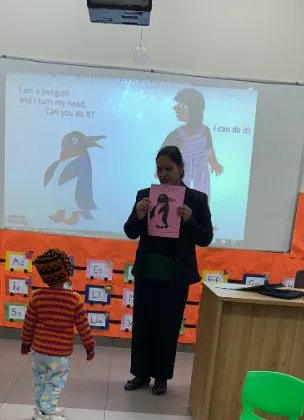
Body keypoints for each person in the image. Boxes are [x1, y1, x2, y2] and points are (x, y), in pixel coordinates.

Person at [123, 145, 214, 396]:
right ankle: (140, 374)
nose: (163, 174)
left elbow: (205, 238)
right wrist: (139, 215)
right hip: (148, 272)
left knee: (168, 326)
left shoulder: (196, 199)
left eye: (168, 169)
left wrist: (189, 220)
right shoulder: (145, 195)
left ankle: (161, 376)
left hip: (176, 276)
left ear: (181, 168)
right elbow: (130, 231)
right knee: (143, 324)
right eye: (159, 169)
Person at [21, 248, 96, 420]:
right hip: (60, 354)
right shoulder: (73, 299)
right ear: (66, 272)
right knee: (55, 382)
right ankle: (48, 411)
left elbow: (28, 324)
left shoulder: (37, 297)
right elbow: (83, 326)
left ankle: (40, 409)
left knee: (39, 380)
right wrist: (89, 346)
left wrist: (25, 344)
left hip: (39, 352)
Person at [160, 88, 224, 204]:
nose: (175, 108)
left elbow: (209, 152)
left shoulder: (205, 130)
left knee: (202, 197)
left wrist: (214, 164)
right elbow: (164, 154)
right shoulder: (176, 134)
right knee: (181, 198)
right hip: (184, 170)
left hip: (201, 170)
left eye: (182, 106)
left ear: (195, 110)